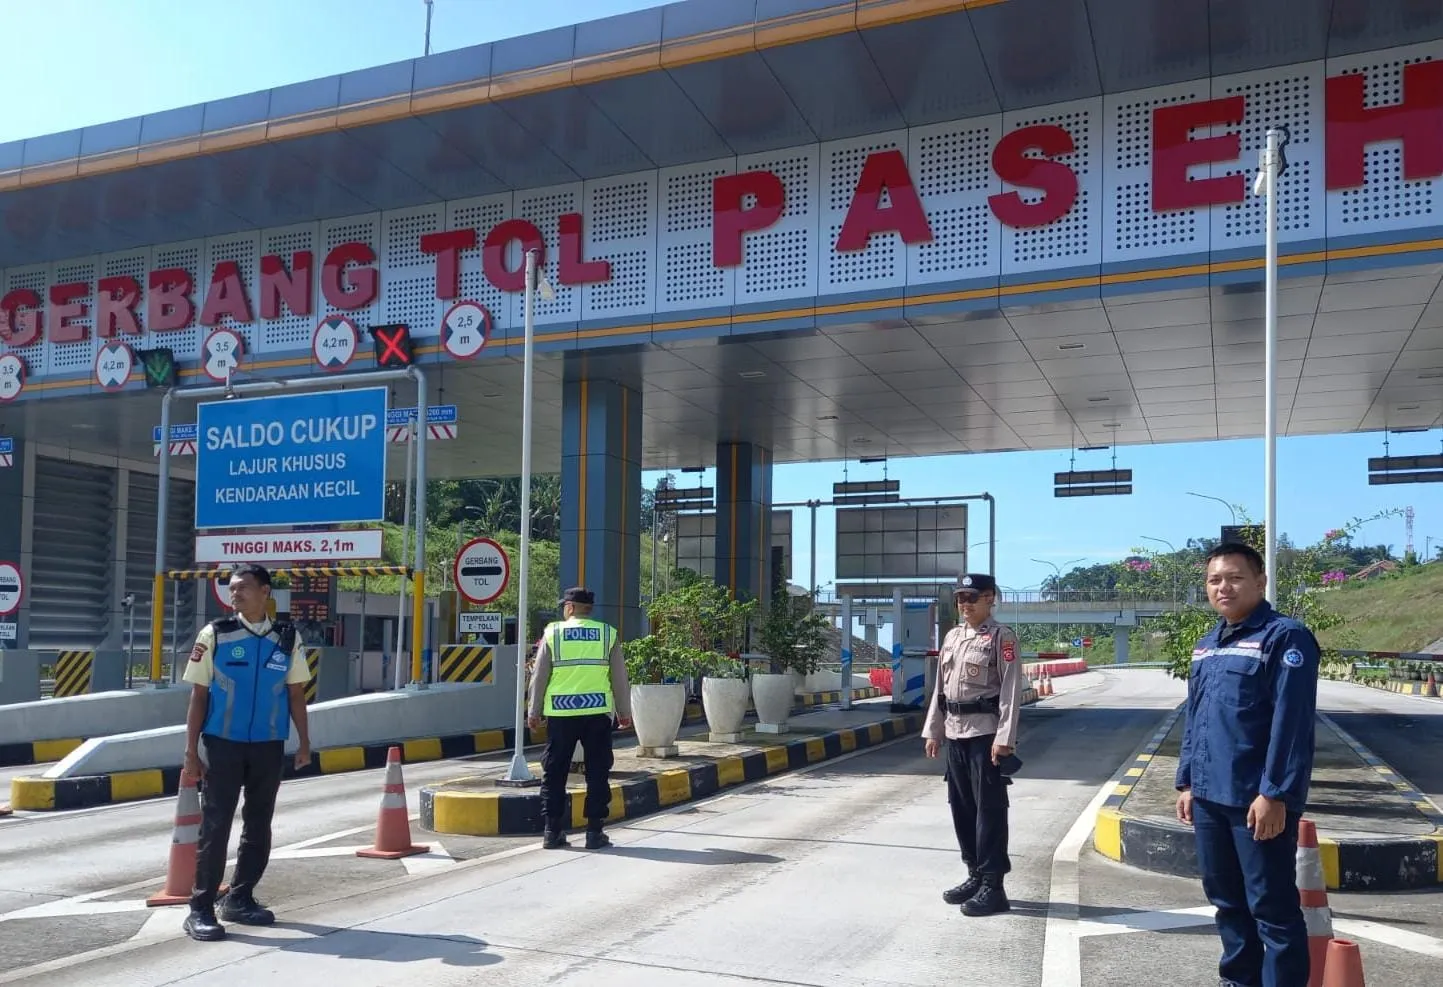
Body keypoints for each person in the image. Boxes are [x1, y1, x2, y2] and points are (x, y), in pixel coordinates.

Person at [1175, 542, 1319, 987]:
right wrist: (1187, 783)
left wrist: (1275, 793)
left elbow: (1291, 724)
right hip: (1210, 798)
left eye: (1235, 578)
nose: (1224, 587)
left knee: (1271, 908)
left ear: (1260, 582)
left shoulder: (1285, 637)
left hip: (1255, 799)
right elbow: (1195, 716)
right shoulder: (1207, 645)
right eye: (1215, 580)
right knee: (1227, 901)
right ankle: (1238, 980)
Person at [180, 562, 312, 942]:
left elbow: (296, 693)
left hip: (269, 744)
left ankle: (240, 898)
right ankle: (201, 909)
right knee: (216, 825)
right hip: (222, 744)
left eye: (243, 588)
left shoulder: (287, 637)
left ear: (265, 592)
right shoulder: (216, 634)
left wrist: (303, 742)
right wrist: (191, 750)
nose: (234, 594)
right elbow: (198, 694)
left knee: (259, 824)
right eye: (232, 588)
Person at [921, 572, 1024, 917]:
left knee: (989, 813)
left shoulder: (1001, 637)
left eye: (972, 597)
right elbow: (941, 688)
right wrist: (933, 730)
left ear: (990, 598)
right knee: (961, 808)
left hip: (985, 735)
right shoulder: (952, 637)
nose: (965, 604)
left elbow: (1010, 690)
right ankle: (974, 874)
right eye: (960, 598)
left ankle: (994, 886)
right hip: (955, 733)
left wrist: (1005, 739)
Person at [527, 586, 632, 850]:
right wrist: (624, 713)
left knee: (554, 771)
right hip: (597, 712)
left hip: (560, 713)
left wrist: (534, 711)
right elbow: (619, 678)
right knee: (597, 771)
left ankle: (552, 832)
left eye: (564, 605)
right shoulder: (607, 634)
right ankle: (594, 833)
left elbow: (539, 676)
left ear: (570, 608)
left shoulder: (553, 633)